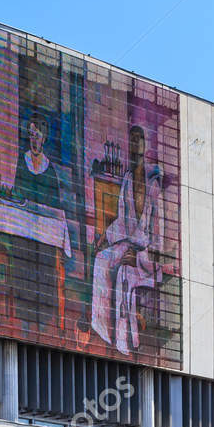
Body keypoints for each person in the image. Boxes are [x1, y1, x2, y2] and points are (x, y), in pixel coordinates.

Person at [91, 125, 165, 356]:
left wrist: (140, 254)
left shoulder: (153, 187)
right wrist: (106, 237)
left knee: (124, 272)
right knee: (101, 260)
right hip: (126, 242)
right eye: (131, 141)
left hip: (146, 254)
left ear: (144, 145)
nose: (135, 145)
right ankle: (102, 329)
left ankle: (125, 340)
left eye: (139, 140)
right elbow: (122, 220)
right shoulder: (127, 180)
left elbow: (157, 237)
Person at [9, 114, 64, 334]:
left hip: (43, 235)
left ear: (44, 139)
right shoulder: (22, 162)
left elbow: (55, 205)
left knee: (44, 269)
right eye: (31, 134)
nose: (33, 139)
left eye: (37, 135)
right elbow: (16, 191)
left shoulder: (50, 170)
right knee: (23, 266)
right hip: (24, 230)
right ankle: (23, 320)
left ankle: (42, 322)